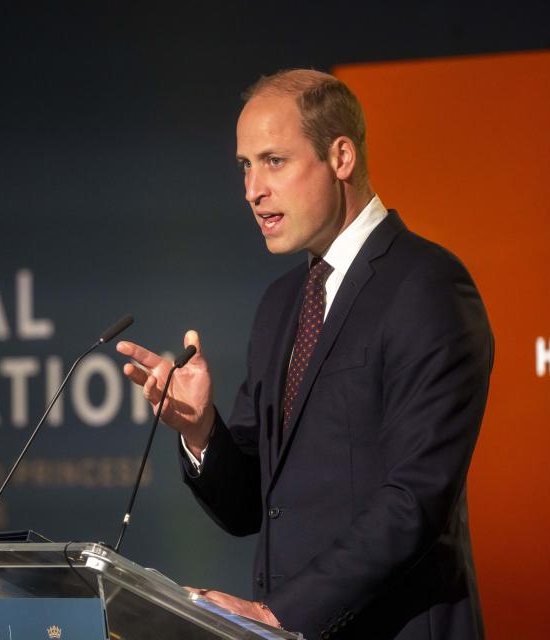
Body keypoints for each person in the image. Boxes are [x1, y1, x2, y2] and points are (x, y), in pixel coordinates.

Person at [116, 69, 493, 640]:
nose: (252, 189)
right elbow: (252, 507)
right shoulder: (281, 303)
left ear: (340, 156)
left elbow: (414, 501)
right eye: (245, 165)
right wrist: (200, 432)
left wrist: (281, 614)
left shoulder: (428, 286)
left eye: (273, 161)